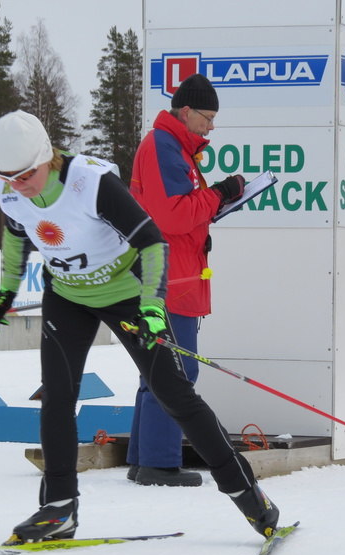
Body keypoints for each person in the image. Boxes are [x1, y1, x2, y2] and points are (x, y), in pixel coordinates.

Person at [0, 110, 280, 545]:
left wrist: (153, 307)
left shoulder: (90, 182)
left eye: (26, 174)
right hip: (67, 295)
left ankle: (248, 495)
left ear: (47, 157)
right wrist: (6, 290)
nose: (18, 184)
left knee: (174, 395)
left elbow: (152, 241)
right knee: (57, 397)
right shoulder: (10, 187)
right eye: (7, 177)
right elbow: (16, 232)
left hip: (126, 292)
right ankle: (58, 508)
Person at [126, 74, 246, 487]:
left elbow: (178, 210)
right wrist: (219, 194)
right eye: (207, 117)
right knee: (176, 373)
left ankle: (144, 458)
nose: (211, 126)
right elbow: (173, 215)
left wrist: (218, 201)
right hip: (168, 279)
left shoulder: (173, 147)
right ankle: (158, 464)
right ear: (186, 111)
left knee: (157, 370)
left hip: (171, 274)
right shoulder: (163, 146)